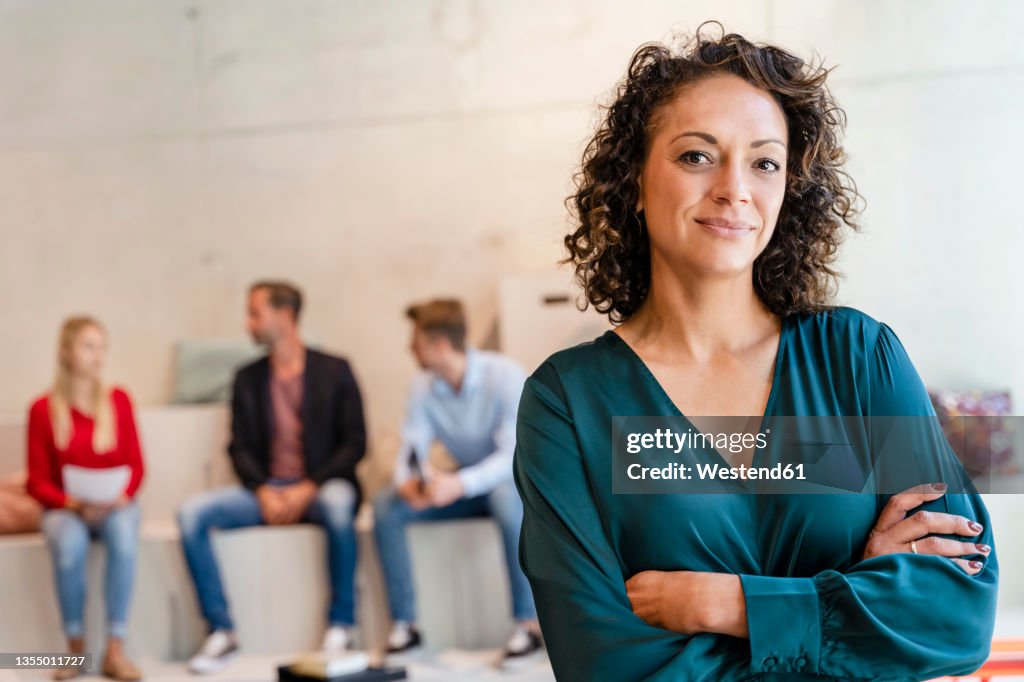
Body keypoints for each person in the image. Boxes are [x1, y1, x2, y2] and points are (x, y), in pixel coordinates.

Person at [513, 23, 998, 681]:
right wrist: (855, 598)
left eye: (765, 162)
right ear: (633, 179)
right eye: (696, 156)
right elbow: (605, 666)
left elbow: (957, 614)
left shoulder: (859, 358)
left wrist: (729, 603)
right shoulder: (566, 402)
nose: (735, 188)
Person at [178, 281, 367, 674]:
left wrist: (309, 486)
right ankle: (222, 630)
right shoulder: (247, 378)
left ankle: (341, 624)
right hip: (265, 491)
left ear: (284, 316)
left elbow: (354, 444)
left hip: (319, 487)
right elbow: (239, 447)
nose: (248, 323)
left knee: (338, 503)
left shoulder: (335, 370)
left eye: (254, 313)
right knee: (191, 514)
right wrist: (262, 489)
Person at [372, 299, 542, 669]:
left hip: (507, 483)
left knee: (503, 499)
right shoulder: (422, 386)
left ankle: (528, 626)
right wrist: (408, 483)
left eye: (414, 340)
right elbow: (411, 444)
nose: (409, 347)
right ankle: (407, 624)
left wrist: (458, 484)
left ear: (440, 345)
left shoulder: (505, 375)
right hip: (459, 487)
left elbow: (513, 455)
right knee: (386, 505)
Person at [27, 317, 145, 681]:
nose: (98, 356)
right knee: (68, 544)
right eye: (89, 346)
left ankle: (115, 649)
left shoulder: (119, 400)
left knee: (125, 538)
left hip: (114, 506)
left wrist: (122, 496)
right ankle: (75, 648)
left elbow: (137, 466)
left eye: (102, 347)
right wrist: (74, 504)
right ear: (66, 351)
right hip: (67, 508)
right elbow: (37, 481)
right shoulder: (43, 410)